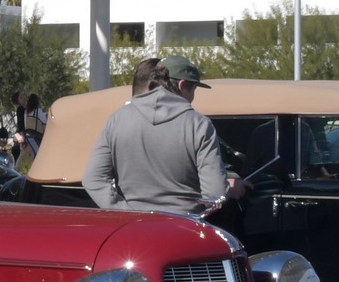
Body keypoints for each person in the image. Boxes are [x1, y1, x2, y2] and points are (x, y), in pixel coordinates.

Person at [84, 57, 240, 213]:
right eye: (193, 89)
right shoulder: (199, 125)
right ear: (182, 85)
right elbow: (215, 193)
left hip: (131, 228)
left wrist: (124, 211)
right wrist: (227, 189)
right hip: (182, 228)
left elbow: (93, 179)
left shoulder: (116, 120)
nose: (193, 97)